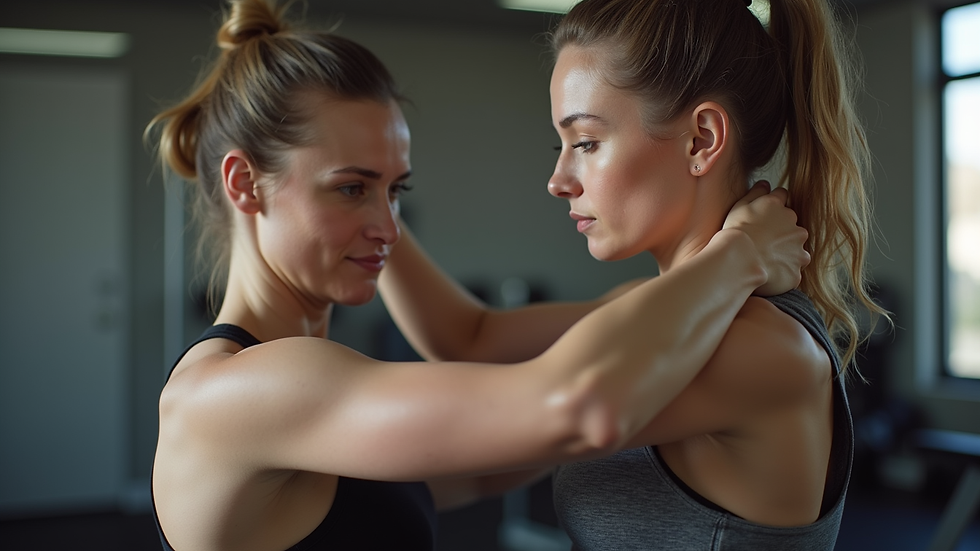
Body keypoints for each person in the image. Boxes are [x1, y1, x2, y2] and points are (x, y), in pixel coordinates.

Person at [146, 0, 810, 549]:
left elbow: (475, 356)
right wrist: (740, 254)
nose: (390, 225)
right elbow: (572, 408)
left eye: (397, 190)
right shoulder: (233, 393)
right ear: (244, 184)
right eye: (351, 188)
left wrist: (363, 194)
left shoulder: (331, 404)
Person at [381, 0, 887, 549]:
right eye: (563, 145)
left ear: (702, 140)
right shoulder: (651, 312)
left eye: (586, 143)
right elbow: (471, 339)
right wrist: (375, 205)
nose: (558, 180)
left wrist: (739, 253)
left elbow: (566, 404)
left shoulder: (762, 346)